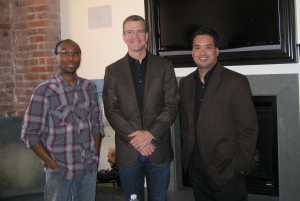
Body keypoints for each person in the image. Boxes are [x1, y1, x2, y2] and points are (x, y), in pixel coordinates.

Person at [102, 15, 179, 201]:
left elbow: (172, 104)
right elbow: (111, 109)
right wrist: (138, 139)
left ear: (147, 35)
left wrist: (150, 134)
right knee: (132, 199)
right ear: (123, 37)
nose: (134, 36)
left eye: (139, 31)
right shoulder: (112, 70)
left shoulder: (165, 66)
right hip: (129, 150)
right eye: (129, 31)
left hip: (157, 148)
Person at [179, 27, 258, 201]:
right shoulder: (185, 84)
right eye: (197, 47)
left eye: (208, 47)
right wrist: (189, 161)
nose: (202, 52)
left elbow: (248, 128)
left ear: (217, 51)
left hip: (226, 169)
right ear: (192, 52)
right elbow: (186, 124)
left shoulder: (236, 82)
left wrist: (238, 165)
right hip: (196, 168)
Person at [21, 39, 104, 201]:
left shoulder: (90, 88)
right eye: (64, 53)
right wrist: (52, 165)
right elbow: (29, 133)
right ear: (56, 58)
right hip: (60, 172)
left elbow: (97, 124)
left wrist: (95, 155)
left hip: (88, 170)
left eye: (75, 53)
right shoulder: (44, 91)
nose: (71, 58)